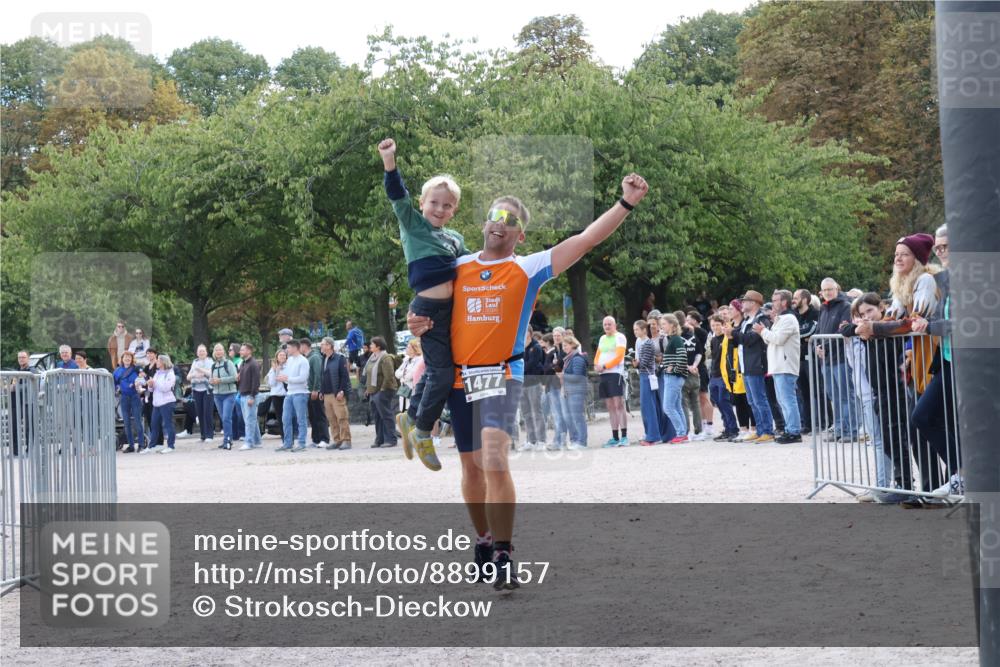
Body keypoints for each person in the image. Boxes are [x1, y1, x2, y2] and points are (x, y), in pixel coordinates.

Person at [406, 172, 649, 590]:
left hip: (501, 373)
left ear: (520, 235)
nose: (499, 220)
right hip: (461, 379)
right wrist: (416, 321)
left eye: (510, 218)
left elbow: (587, 239)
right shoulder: (457, 264)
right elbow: (427, 303)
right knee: (471, 468)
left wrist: (625, 203)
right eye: (494, 213)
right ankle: (481, 542)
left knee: (495, 458)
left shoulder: (527, 267)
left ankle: (503, 552)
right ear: (483, 223)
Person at [379, 137, 469, 471]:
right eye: (435, 203)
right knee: (443, 375)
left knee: (439, 370)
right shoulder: (413, 224)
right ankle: (422, 431)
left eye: (447, 206)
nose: (440, 209)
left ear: (454, 210)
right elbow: (396, 196)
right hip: (428, 311)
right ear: (422, 203)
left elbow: (471, 268)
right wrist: (390, 161)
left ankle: (410, 416)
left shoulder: (455, 238)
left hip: (450, 312)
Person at [726, 290, 774, 442]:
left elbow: (751, 339)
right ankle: (759, 430)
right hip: (746, 364)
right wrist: (732, 336)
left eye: (745, 301)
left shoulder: (761, 319)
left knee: (759, 399)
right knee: (752, 401)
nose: (742, 303)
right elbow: (740, 341)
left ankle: (767, 430)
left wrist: (733, 334)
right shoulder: (748, 320)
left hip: (756, 364)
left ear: (754, 303)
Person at [816, 278, 859, 442]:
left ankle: (852, 430)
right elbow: (819, 330)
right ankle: (840, 429)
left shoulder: (845, 306)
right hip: (825, 360)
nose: (827, 292)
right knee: (834, 396)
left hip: (841, 358)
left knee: (846, 395)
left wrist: (825, 347)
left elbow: (843, 331)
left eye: (830, 289)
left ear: (837, 288)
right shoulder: (823, 308)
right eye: (824, 290)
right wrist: (817, 347)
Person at [757, 290, 802, 443]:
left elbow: (779, 339)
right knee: (783, 400)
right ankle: (790, 429)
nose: (772, 303)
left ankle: (794, 431)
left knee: (788, 400)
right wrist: (765, 332)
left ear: (784, 302)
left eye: (775, 300)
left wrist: (763, 331)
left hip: (785, 364)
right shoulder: (780, 319)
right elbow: (770, 340)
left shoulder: (789, 318)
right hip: (778, 365)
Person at [792, 288, 824, 434]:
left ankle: (823, 423)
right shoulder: (794, 316)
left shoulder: (815, 313)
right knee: (804, 393)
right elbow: (797, 334)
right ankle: (808, 424)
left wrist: (798, 336)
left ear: (805, 299)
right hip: (798, 359)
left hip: (812, 358)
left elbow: (811, 332)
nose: (793, 300)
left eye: (796, 297)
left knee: (818, 391)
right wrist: (801, 337)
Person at [595, 316, 629, 447]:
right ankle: (615, 437)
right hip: (604, 375)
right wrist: (596, 365)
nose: (607, 326)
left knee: (618, 405)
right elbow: (598, 354)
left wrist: (605, 366)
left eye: (609, 324)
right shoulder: (602, 338)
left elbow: (619, 356)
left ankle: (624, 436)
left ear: (614, 325)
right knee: (610, 406)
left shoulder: (619, 337)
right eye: (605, 324)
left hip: (615, 374)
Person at [707, 315, 739, 441]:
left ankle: (733, 428)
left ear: (723, 325)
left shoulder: (727, 338)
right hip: (714, 375)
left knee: (724, 401)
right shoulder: (713, 340)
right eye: (713, 325)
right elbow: (714, 358)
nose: (715, 328)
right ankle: (727, 427)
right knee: (718, 402)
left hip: (723, 375)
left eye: (717, 325)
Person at [659, 314, 690, 443]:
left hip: (674, 377)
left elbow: (683, 357)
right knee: (676, 406)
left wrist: (675, 369)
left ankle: (681, 433)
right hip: (671, 376)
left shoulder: (676, 339)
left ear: (672, 325)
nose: (662, 327)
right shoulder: (671, 339)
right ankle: (683, 433)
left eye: (664, 324)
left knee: (668, 407)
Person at [364, 336, 398, 448]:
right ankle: (380, 439)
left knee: (386, 415)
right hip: (373, 391)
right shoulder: (372, 357)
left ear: (378, 346)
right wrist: (368, 389)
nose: (370, 346)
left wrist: (382, 390)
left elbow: (389, 376)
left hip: (384, 391)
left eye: (372, 344)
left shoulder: (385, 357)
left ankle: (391, 439)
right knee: (377, 416)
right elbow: (369, 375)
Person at [319, 336, 353, 450]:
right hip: (327, 394)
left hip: (337, 394)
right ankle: (337, 440)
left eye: (323, 344)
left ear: (329, 346)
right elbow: (323, 377)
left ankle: (346, 440)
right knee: (331, 419)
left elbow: (345, 376)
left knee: (342, 417)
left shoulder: (340, 358)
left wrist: (341, 390)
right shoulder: (324, 358)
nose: (321, 346)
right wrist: (321, 391)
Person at [277, 340, 310, 452]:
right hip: (290, 393)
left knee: (301, 419)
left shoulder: (303, 361)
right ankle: (288, 443)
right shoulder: (289, 360)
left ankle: (301, 443)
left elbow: (303, 378)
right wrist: (283, 378)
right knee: (285, 418)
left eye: (289, 348)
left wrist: (287, 379)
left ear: (295, 348)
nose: (287, 350)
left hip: (300, 393)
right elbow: (289, 377)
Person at [677, 311, 705, 440]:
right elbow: (700, 353)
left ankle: (686, 431)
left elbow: (678, 356)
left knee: (684, 404)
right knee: (696, 403)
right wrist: (694, 365)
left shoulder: (677, 338)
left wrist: (687, 367)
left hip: (683, 373)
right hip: (695, 373)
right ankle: (699, 431)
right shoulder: (693, 337)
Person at [518, 328, 547, 451]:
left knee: (537, 412)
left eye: (525, 332)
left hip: (534, 384)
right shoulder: (519, 347)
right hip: (522, 384)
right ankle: (531, 440)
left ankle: (542, 441)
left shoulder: (536, 347)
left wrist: (520, 368)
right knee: (526, 414)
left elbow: (532, 364)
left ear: (529, 332)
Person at [633, 320, 661, 446]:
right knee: (646, 406)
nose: (635, 332)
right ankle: (650, 433)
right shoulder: (640, 342)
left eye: (637, 329)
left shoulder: (648, 343)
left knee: (648, 406)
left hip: (648, 375)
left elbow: (643, 362)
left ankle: (653, 436)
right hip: (645, 375)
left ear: (644, 330)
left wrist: (636, 364)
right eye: (634, 330)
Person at [686, 311, 713, 437]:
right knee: (696, 399)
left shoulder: (701, 332)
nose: (687, 321)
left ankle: (710, 425)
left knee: (704, 396)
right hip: (690, 368)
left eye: (689, 319)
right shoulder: (686, 333)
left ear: (696, 321)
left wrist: (693, 330)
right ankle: (701, 425)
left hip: (700, 367)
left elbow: (701, 349)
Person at [143, 354, 177, 454]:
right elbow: (152, 389)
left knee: (168, 424)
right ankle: (152, 445)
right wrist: (150, 385)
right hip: (156, 403)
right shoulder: (157, 373)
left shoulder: (170, 374)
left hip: (167, 403)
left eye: (158, 360)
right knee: (154, 425)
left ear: (163, 362)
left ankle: (171, 445)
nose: (156, 362)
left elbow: (165, 388)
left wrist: (154, 383)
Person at [561, 335, 589, 450]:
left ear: (572, 345)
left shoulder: (577, 358)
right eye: (563, 346)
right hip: (569, 391)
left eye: (566, 345)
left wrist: (563, 376)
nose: (564, 348)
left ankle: (581, 442)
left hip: (577, 391)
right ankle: (575, 440)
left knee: (577, 417)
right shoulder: (569, 358)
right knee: (569, 417)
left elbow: (578, 377)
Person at [540, 333, 567, 450]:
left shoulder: (560, 352)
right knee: (557, 414)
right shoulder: (554, 351)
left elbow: (557, 367)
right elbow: (547, 368)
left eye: (558, 335)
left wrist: (552, 367)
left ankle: (560, 441)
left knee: (558, 414)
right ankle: (559, 439)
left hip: (557, 385)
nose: (556, 338)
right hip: (551, 385)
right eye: (555, 335)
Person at [209, 343, 238, 450]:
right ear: (214, 352)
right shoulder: (213, 365)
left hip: (229, 394)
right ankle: (226, 440)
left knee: (226, 418)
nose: (218, 352)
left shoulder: (228, 363)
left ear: (223, 351)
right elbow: (211, 380)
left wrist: (220, 380)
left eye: (220, 350)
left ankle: (228, 440)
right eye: (216, 350)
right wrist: (211, 381)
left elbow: (235, 378)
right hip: (217, 395)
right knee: (223, 418)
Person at [114, 351, 144, 453]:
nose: (127, 359)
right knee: (126, 422)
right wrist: (117, 389)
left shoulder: (136, 369)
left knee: (138, 421)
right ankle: (131, 445)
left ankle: (141, 444)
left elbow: (143, 379)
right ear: (122, 359)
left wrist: (138, 383)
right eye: (125, 357)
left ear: (132, 359)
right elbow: (113, 383)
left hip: (135, 396)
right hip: (124, 397)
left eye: (129, 357)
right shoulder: (117, 370)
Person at [302, 338, 330, 448]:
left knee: (320, 415)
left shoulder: (315, 357)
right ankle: (316, 438)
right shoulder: (307, 358)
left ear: (304, 346)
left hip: (315, 391)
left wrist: (316, 389)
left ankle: (324, 438)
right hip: (308, 391)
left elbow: (318, 374)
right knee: (313, 416)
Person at [236, 343, 262, 451]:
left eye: (243, 350)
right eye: (241, 350)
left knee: (249, 419)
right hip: (242, 394)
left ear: (249, 351)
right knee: (251, 420)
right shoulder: (242, 363)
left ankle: (249, 442)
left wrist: (252, 396)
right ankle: (257, 440)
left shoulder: (254, 364)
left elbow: (256, 382)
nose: (240, 352)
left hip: (249, 395)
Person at [187, 344, 215, 442]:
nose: (201, 353)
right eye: (199, 351)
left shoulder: (210, 361)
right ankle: (203, 435)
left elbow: (211, 373)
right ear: (197, 353)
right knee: (200, 412)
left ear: (206, 352)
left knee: (207, 412)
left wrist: (201, 371)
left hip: (207, 390)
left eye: (203, 351)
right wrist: (195, 375)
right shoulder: (194, 362)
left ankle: (209, 435)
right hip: (196, 390)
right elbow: (188, 377)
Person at [395, 338, 423, 413]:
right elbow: (396, 373)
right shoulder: (406, 359)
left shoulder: (419, 359)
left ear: (414, 349)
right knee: (403, 411)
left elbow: (412, 374)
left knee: (411, 410)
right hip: (404, 389)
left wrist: (403, 375)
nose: (406, 349)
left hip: (412, 389)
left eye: (408, 347)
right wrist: (403, 374)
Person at [266, 349, 289, 439]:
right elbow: (271, 383)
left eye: (284, 355)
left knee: (287, 417)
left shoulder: (289, 367)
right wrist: (276, 371)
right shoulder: (273, 368)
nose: (282, 357)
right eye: (280, 355)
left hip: (286, 394)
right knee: (279, 416)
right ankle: (283, 437)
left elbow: (289, 380)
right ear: (277, 357)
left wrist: (283, 378)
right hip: (276, 395)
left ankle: (290, 436)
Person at [228, 343, 245, 442]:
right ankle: (235, 434)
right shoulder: (231, 362)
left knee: (240, 413)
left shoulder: (240, 362)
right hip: (232, 391)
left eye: (231, 350)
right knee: (233, 414)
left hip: (239, 390)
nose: (229, 351)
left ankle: (242, 433)